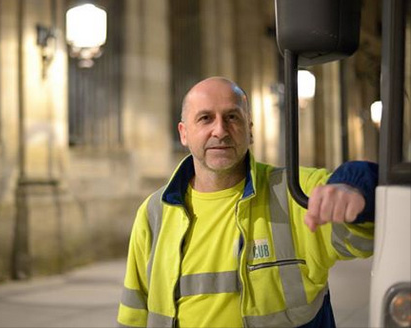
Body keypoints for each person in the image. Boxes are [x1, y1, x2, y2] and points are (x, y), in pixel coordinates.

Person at [117, 77, 377, 328]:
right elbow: (134, 314)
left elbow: (373, 213)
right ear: (184, 133)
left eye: (232, 117)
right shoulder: (154, 212)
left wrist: (355, 188)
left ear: (250, 130)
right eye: (205, 118)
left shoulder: (294, 193)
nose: (220, 130)